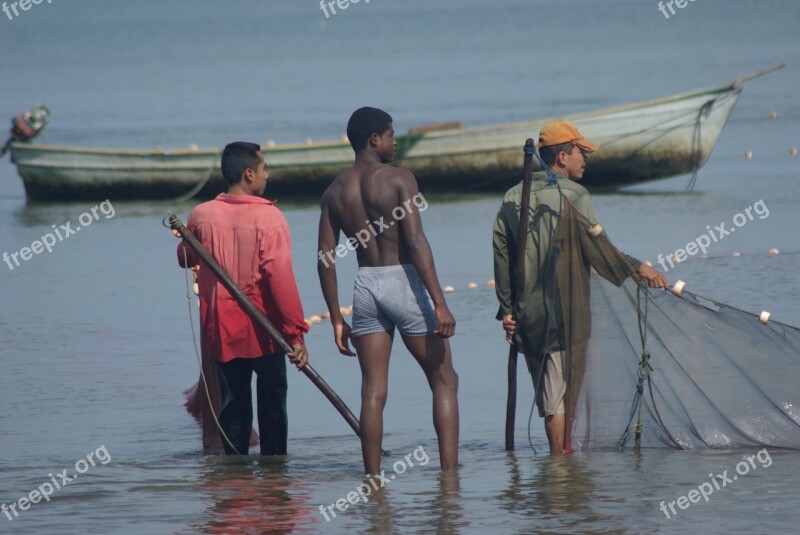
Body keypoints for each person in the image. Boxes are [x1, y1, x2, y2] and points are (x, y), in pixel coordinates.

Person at [493, 121, 668, 454]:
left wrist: (507, 309)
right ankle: (561, 469)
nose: (585, 159)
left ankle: (560, 470)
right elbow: (599, 250)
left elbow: (502, 255)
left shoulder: (512, 196)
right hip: (568, 311)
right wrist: (638, 268)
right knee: (564, 395)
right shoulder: (575, 195)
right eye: (580, 152)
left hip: (529, 316)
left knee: (550, 396)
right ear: (562, 157)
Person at [317, 107, 459, 475]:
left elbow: (325, 260)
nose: (396, 142)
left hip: (365, 285)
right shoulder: (400, 179)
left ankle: (373, 481)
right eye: (391, 135)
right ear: (373, 139)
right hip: (403, 282)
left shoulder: (334, 191)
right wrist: (439, 304)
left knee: (372, 392)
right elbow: (415, 240)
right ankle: (449, 478)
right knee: (444, 379)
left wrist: (336, 318)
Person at [177, 141, 309, 456]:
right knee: (273, 408)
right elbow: (279, 278)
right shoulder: (270, 218)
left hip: (223, 331)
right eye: (264, 169)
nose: (268, 176)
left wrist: (186, 236)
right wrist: (296, 333)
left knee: (233, 407)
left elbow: (185, 258)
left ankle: (236, 487)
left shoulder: (201, 214)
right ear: (249, 174)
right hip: (268, 332)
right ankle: (276, 484)